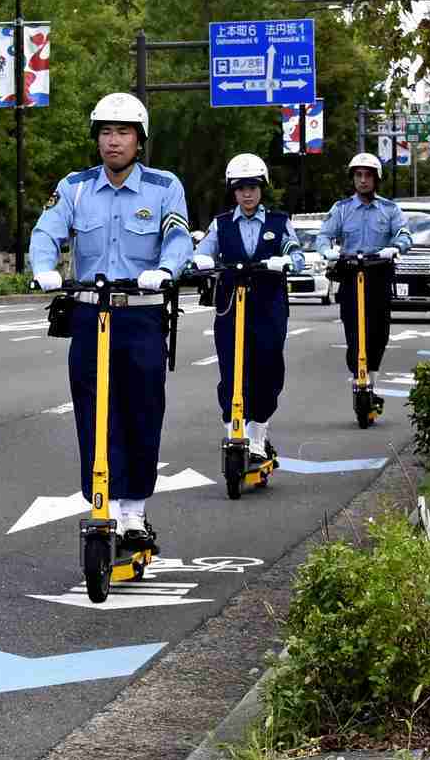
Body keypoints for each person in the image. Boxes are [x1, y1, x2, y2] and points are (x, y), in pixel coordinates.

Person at [30, 92, 192, 543]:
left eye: (123, 133)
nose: (113, 141)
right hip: (88, 313)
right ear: (96, 139)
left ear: (139, 141)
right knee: (93, 410)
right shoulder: (75, 187)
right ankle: (102, 498)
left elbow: (178, 235)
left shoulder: (164, 187)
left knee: (141, 408)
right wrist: (45, 267)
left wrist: (164, 270)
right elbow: (47, 230)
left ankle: (135, 509)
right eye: (105, 132)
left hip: (139, 316)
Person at [190, 153, 304, 461]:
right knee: (231, 369)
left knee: (267, 369)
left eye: (253, 186)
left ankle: (258, 436)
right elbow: (204, 251)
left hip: (269, 306)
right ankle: (233, 431)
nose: (247, 193)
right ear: (233, 191)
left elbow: (296, 252)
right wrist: (201, 259)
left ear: (262, 187)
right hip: (230, 307)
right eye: (241, 188)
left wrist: (287, 260)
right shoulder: (222, 224)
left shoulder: (279, 222)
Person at [314, 152, 413, 402]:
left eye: (368, 175)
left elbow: (404, 234)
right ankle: (359, 376)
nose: (363, 180)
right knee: (353, 331)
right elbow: (324, 235)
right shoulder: (342, 208)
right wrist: (328, 251)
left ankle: (372, 381)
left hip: (378, 273)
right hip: (350, 273)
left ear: (376, 179)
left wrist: (395, 247)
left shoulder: (390, 209)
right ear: (353, 179)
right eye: (358, 175)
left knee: (378, 332)